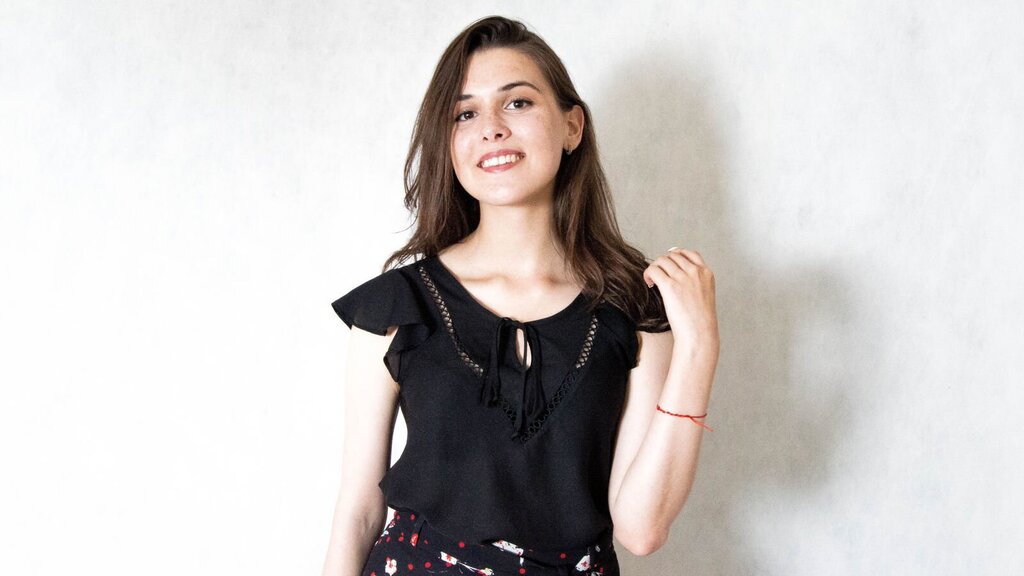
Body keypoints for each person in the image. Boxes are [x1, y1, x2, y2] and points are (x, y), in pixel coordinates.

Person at [321, 15, 719, 576]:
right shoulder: (395, 307)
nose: (491, 128)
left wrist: (700, 346)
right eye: (465, 113)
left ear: (572, 126)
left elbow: (641, 529)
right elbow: (359, 514)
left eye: (518, 103)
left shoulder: (634, 308)